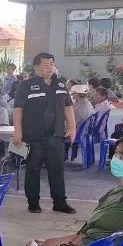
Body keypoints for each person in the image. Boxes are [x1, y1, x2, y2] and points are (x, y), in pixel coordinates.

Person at [12, 52, 76, 215]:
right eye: (46, 65)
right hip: (33, 136)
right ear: (36, 67)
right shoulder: (26, 85)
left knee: (57, 169)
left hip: (56, 135)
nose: (50, 68)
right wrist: (17, 131)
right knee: (33, 169)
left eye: (52, 64)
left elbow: (68, 107)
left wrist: (72, 127)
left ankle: (60, 202)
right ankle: (33, 202)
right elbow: (18, 109)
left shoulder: (60, 85)